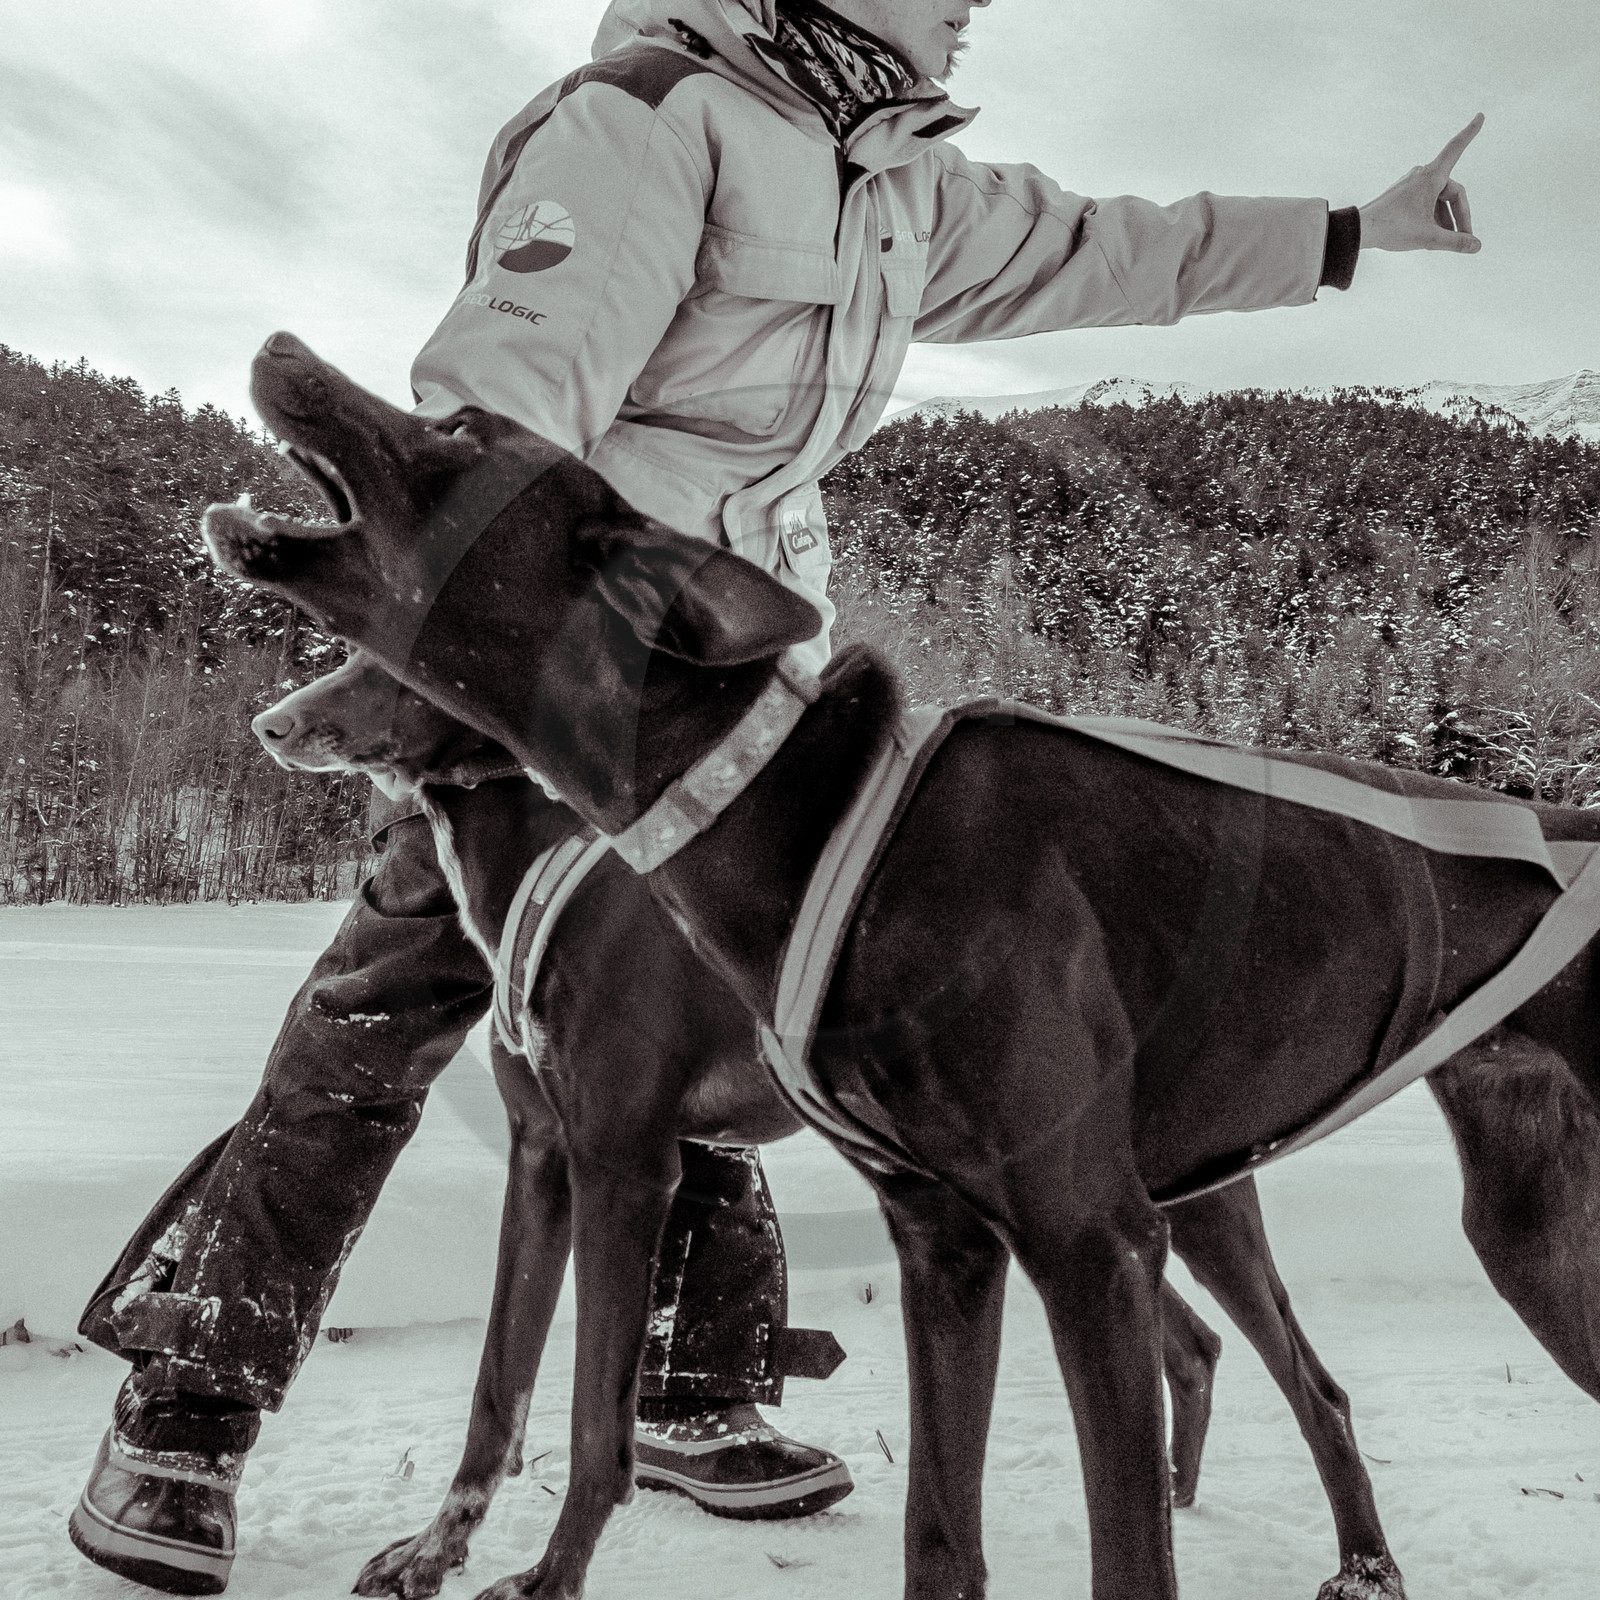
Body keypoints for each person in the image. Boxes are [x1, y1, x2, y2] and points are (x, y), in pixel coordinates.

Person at [69, 0, 1482, 1593]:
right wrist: (469, 655)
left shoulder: (896, 189)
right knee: (385, 1006)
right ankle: (189, 1404)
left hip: (737, 687)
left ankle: (688, 1388)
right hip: (564, 681)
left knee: (761, 998)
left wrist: (1357, 231)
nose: (971, 6)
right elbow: (505, 408)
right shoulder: (649, 125)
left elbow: (1114, 249)